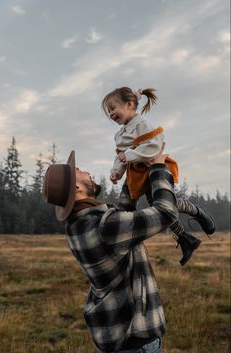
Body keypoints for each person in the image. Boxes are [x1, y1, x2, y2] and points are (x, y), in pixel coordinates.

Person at [43, 146, 178, 353]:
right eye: (79, 171)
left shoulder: (77, 226)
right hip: (134, 342)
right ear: (77, 188)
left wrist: (132, 172)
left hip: (113, 339)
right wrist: (158, 167)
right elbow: (167, 213)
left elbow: (123, 213)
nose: (86, 171)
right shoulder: (105, 226)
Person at [101, 86, 215, 266]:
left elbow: (155, 145)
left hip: (154, 168)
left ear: (130, 104)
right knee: (126, 207)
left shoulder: (141, 124)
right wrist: (116, 171)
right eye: (108, 111)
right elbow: (121, 157)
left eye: (113, 108)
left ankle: (196, 211)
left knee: (164, 206)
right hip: (135, 173)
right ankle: (186, 239)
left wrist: (130, 155)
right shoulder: (120, 135)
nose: (111, 113)